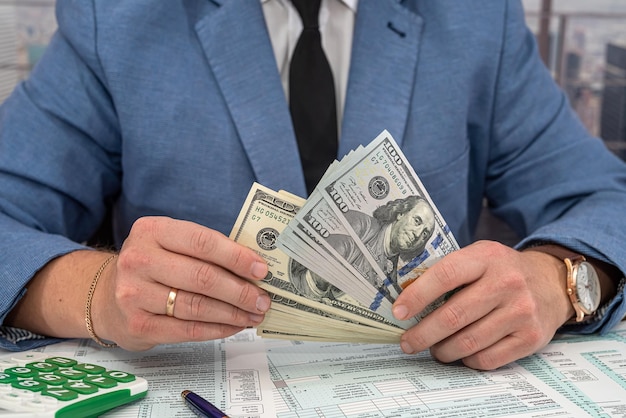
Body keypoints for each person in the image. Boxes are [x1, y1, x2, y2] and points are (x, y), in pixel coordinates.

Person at [1, 0, 625, 371]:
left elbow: (604, 199)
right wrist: (97, 293)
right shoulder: (117, 19)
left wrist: (558, 281)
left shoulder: (474, 19)